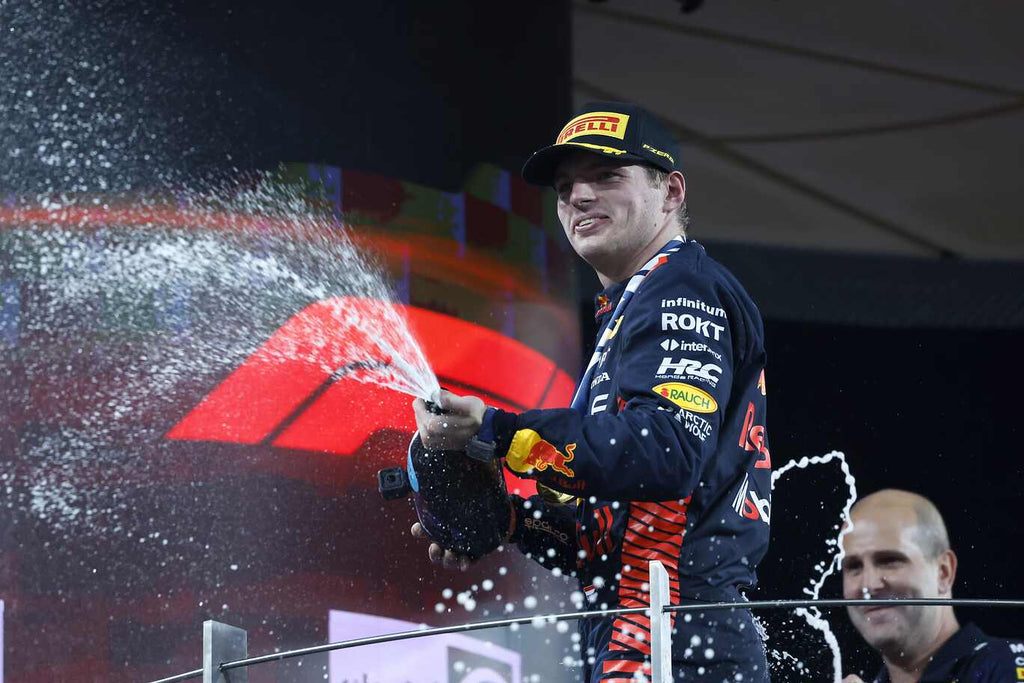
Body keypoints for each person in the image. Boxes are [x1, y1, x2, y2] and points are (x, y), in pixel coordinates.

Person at [412, 101, 772, 682]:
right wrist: (510, 522)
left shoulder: (681, 286)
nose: (578, 197)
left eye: (606, 176)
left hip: (678, 630)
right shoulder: (632, 305)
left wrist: (497, 432)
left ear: (671, 193)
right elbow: (617, 529)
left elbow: (665, 452)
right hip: (640, 625)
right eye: (564, 187)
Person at [840, 489, 1023, 682]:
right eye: (854, 566)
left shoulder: (1007, 665)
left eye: (889, 560)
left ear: (944, 572)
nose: (869, 584)